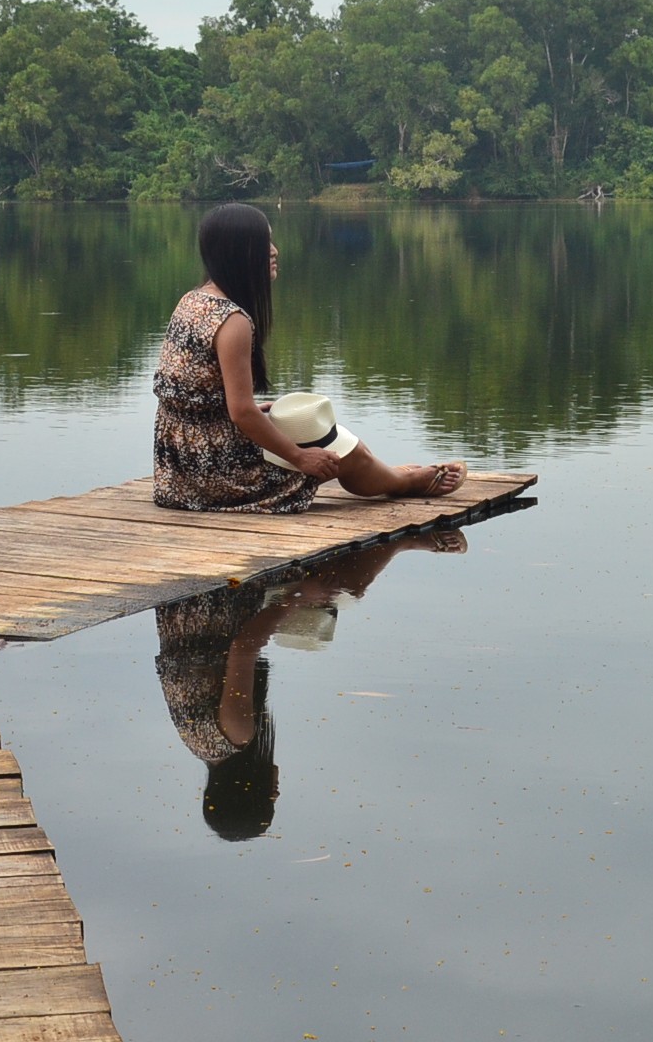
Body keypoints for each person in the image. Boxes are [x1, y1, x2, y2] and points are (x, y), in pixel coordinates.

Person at [153, 529, 469, 839]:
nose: (276, 791)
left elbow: (244, 646)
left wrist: (299, 595)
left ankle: (402, 539)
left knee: (344, 589)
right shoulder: (199, 746)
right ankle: (372, 542)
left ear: (248, 789)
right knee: (318, 603)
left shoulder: (236, 734)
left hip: (217, 591)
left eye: (269, 798)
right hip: (186, 600)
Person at [152, 202, 466, 512]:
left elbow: (196, 394)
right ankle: (402, 483)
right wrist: (300, 458)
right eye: (264, 244)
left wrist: (229, 411)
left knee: (324, 432)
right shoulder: (232, 321)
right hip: (212, 477)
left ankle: (388, 473)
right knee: (343, 453)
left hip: (178, 467)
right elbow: (242, 414)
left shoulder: (194, 299)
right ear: (239, 253)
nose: (274, 251)